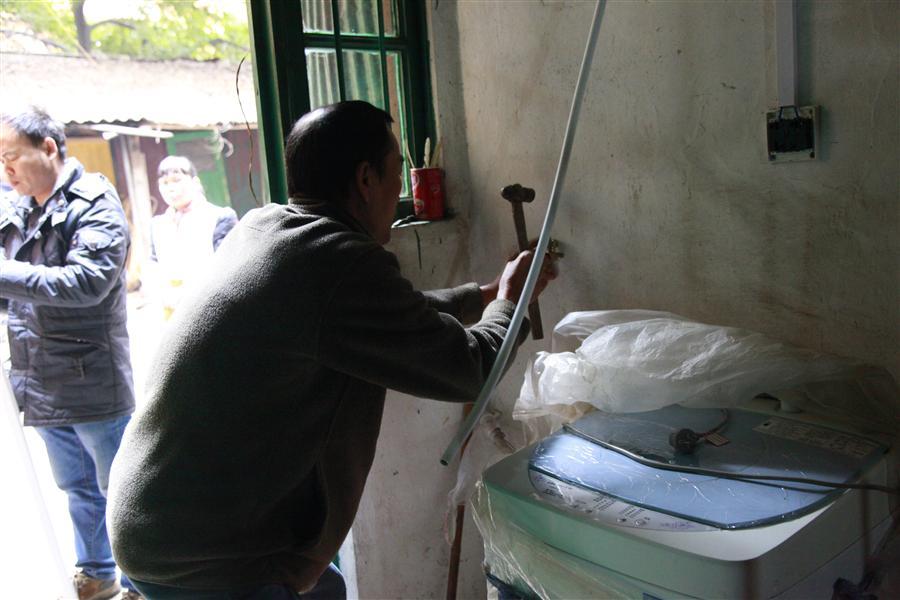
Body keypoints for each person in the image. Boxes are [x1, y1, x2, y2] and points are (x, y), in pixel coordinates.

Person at [107, 100, 557, 599]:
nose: (399, 191)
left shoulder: (268, 228)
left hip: (155, 516)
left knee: (324, 586)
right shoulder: (338, 263)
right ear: (365, 180)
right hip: (201, 555)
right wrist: (512, 301)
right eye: (395, 174)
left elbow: (379, 315)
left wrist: (486, 295)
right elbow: (470, 367)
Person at [0, 108, 142, 600]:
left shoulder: (94, 202)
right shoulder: (18, 209)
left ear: (49, 148)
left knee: (121, 490)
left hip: (91, 375)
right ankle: (97, 572)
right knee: (75, 488)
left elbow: (86, 282)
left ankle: (141, 584)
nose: (6, 169)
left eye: (12, 156)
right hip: (39, 376)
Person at [147, 155, 237, 319]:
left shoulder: (219, 217)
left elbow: (227, 271)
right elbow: (153, 264)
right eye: (165, 183)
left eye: (177, 180)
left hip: (210, 311)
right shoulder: (158, 224)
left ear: (195, 182)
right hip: (170, 313)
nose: (171, 188)